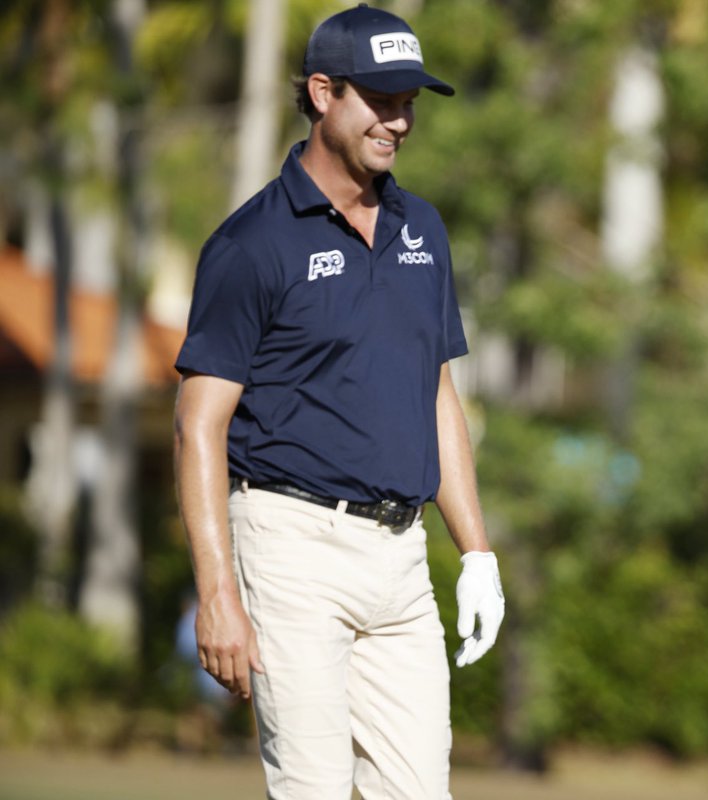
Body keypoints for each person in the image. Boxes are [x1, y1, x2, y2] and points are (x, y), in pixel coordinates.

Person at [172, 5, 504, 798]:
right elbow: (197, 427)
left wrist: (479, 555)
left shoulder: (421, 228)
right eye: (380, 99)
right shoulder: (252, 244)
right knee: (314, 787)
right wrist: (218, 595)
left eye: (410, 102)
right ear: (322, 92)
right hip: (291, 548)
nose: (399, 120)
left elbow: (437, 397)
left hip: (400, 558)